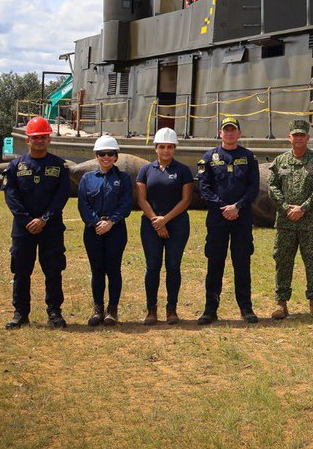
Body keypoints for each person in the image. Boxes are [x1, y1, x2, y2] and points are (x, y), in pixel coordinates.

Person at [2, 116, 71, 329]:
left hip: (50, 228)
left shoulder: (59, 166)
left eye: (43, 137)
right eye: (35, 137)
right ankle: (20, 313)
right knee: (21, 270)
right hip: (23, 230)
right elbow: (11, 197)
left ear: (49, 139)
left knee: (53, 270)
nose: (39, 140)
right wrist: (27, 220)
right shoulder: (15, 166)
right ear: (28, 140)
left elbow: (62, 196)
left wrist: (43, 219)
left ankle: (54, 313)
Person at [196, 116, 260, 324]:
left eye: (233, 130)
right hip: (217, 219)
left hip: (241, 218)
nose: (230, 133)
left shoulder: (249, 157)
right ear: (220, 133)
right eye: (226, 130)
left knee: (242, 263)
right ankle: (210, 309)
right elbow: (204, 188)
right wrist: (222, 206)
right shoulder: (209, 157)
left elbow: (253, 187)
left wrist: (237, 206)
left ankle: (246, 308)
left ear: (239, 134)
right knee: (215, 263)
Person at [267, 118, 313, 320]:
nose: (298, 138)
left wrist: (304, 207)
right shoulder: (280, 162)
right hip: (286, 222)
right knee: (283, 261)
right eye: (295, 135)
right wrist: (286, 208)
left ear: (308, 137)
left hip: (309, 221)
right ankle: (281, 303)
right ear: (289, 137)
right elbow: (272, 187)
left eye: (302, 135)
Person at [136, 127, 195, 325]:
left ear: (175, 149)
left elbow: (186, 200)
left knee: (173, 267)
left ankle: (172, 310)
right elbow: (142, 199)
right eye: (162, 147)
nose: (166, 151)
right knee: (152, 267)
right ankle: (151, 310)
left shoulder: (183, 171)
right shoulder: (145, 170)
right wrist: (156, 221)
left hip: (177, 225)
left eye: (170, 147)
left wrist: (165, 220)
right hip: (151, 226)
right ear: (155, 148)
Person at [77, 135, 134, 326]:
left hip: (116, 230)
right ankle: (97, 309)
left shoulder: (123, 178)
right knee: (97, 270)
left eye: (110, 153)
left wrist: (111, 222)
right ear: (96, 156)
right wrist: (96, 223)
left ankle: (112, 310)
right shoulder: (87, 179)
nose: (106, 157)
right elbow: (83, 205)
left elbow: (126, 204)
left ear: (116, 156)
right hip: (93, 231)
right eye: (102, 154)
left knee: (113, 270)